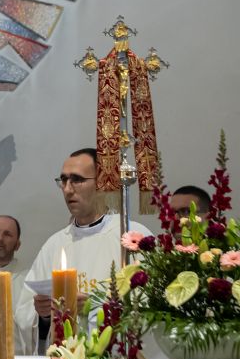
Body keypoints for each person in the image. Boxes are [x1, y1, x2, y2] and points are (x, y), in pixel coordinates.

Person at [21, 148, 152, 346]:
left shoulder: (132, 236)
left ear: (101, 183)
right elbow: (24, 313)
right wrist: (43, 314)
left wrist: (95, 306)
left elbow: (152, 308)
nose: (67, 189)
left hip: (114, 358)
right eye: (63, 180)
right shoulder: (54, 244)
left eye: (77, 180)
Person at [0, 214, 33, 354]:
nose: (0, 238)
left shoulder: (29, 280)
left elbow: (34, 327)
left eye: (7, 234)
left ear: (17, 245)